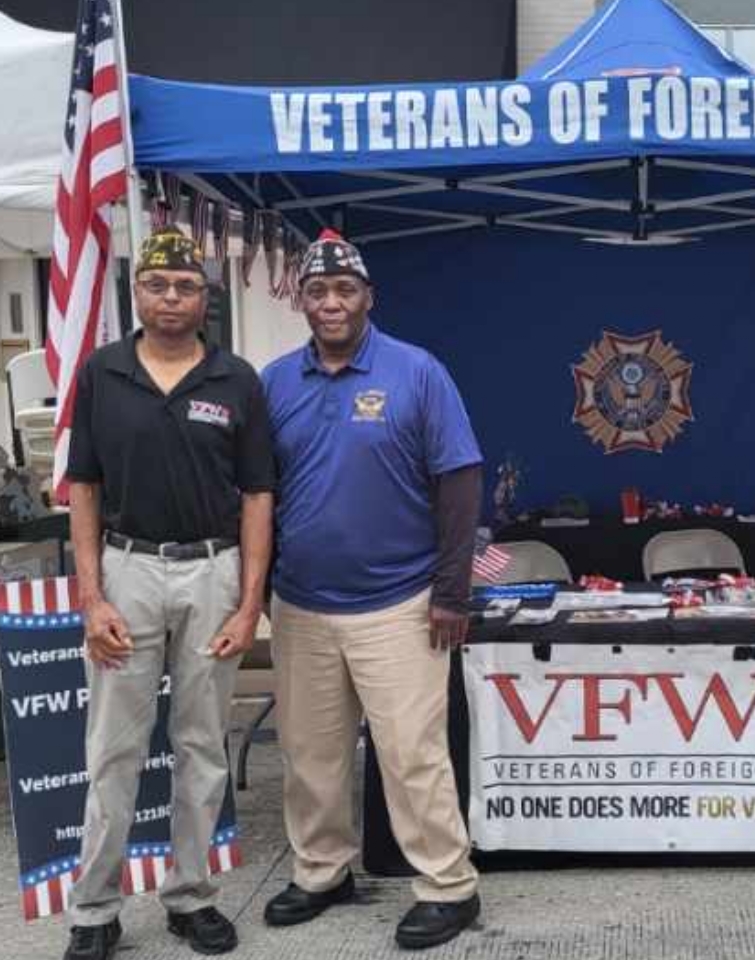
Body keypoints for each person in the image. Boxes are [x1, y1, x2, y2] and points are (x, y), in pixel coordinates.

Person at [260, 230, 485, 951]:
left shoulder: (416, 372)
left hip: (401, 603)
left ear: (368, 297)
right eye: (317, 291)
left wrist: (452, 592)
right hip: (301, 603)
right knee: (310, 755)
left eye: (344, 289)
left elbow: (459, 482)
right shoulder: (274, 382)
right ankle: (322, 871)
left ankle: (449, 886)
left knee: (412, 755)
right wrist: (258, 592)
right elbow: (256, 494)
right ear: (301, 301)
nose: (331, 302)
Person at [63, 226, 275, 959]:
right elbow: (83, 488)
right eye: (157, 285)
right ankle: (95, 909)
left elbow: (258, 495)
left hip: (213, 572)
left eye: (186, 286)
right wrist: (92, 598)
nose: (172, 298)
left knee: (202, 746)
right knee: (113, 749)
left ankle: (191, 897)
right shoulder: (102, 373)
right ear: (137, 292)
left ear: (205, 297)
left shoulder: (235, 379)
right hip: (127, 569)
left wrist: (249, 604)